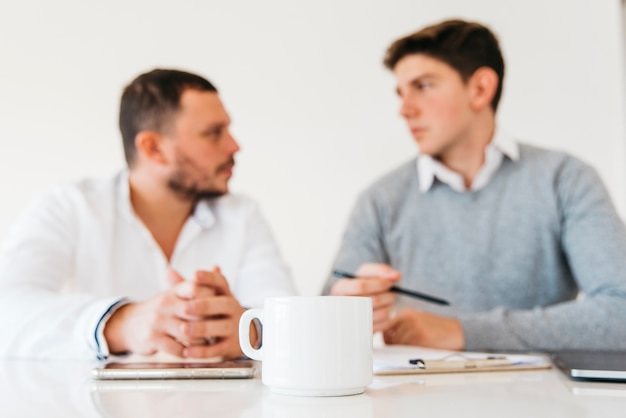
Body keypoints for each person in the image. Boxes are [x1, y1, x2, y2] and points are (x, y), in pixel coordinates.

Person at [323, 19, 626, 352]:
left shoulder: (565, 179)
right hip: (416, 400)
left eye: (423, 86)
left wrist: (463, 332)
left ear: (480, 89)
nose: (404, 109)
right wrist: (345, 306)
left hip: (541, 400)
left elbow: (620, 312)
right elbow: (320, 316)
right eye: (401, 92)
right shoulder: (380, 199)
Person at [0, 69, 296, 360]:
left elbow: (291, 320)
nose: (234, 145)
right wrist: (121, 324)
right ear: (153, 148)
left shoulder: (242, 215)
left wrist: (250, 330)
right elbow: (9, 312)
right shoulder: (69, 207)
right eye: (213, 133)